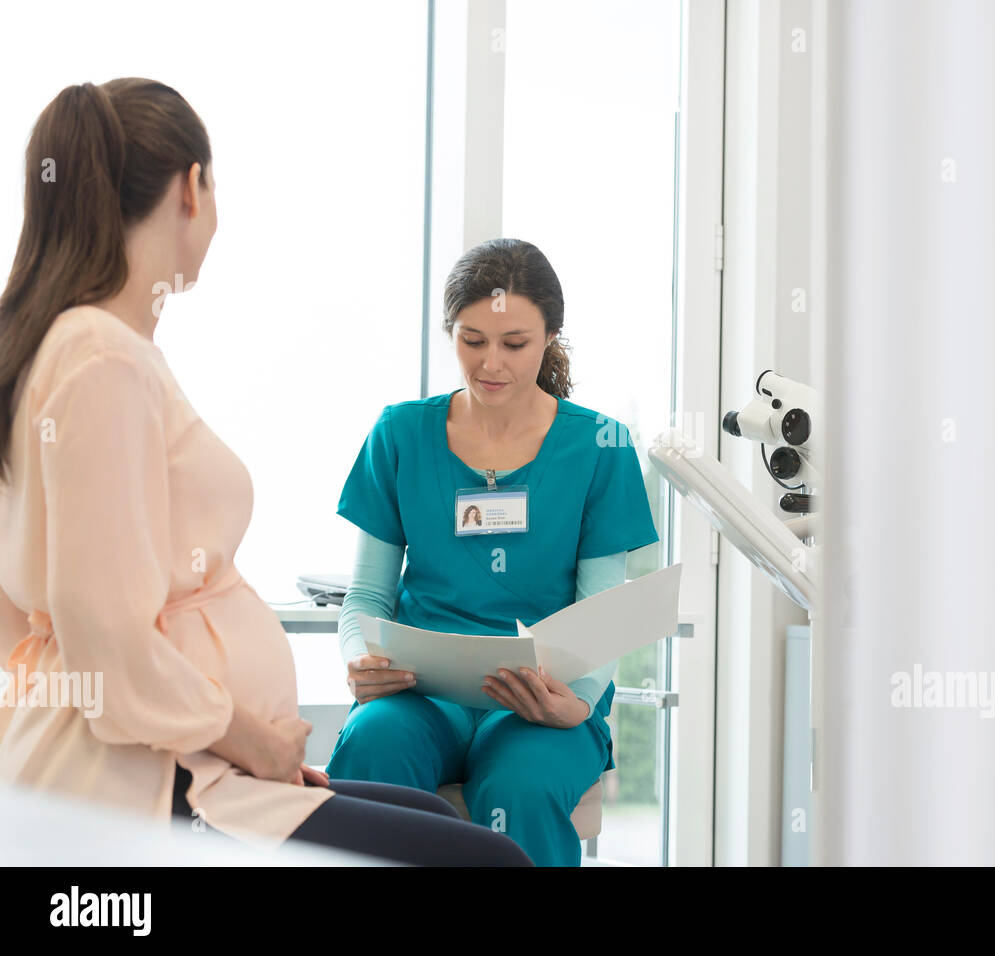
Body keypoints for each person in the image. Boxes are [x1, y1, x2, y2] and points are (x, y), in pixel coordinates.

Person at [0, 78, 530, 866]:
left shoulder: (81, 348)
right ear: (192, 186)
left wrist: (248, 752)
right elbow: (105, 644)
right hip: (146, 782)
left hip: (184, 763)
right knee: (490, 861)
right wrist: (251, 742)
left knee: (430, 816)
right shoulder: (98, 358)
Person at [326, 238, 660, 866]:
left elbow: (602, 615)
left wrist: (580, 700)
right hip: (423, 693)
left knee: (521, 786)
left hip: (546, 696)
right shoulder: (399, 434)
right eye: (472, 340)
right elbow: (366, 596)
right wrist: (359, 658)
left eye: (514, 344)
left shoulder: (600, 447)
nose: (491, 364)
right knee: (374, 747)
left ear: (550, 338)